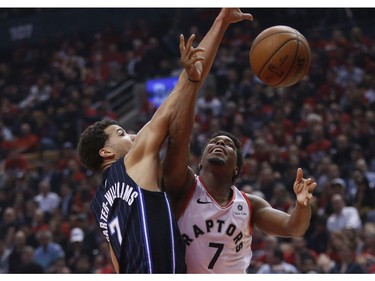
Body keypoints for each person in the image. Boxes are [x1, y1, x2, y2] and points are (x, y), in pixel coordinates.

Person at [161, 9, 317, 273]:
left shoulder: (250, 204)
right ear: (199, 162)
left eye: (229, 144)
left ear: (236, 168)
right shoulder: (184, 187)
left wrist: (301, 206)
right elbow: (178, 139)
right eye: (213, 141)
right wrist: (192, 80)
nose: (219, 143)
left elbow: (294, 227)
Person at [77, 32, 205, 273]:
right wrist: (189, 75)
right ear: (106, 152)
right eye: (122, 133)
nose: (133, 136)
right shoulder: (130, 164)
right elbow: (171, 105)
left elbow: (116, 262)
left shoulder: (99, 204)